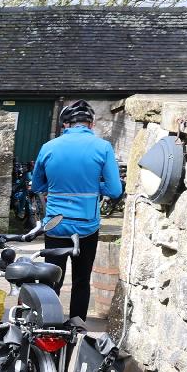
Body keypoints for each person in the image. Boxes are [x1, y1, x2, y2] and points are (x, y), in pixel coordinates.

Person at [29, 99, 121, 322]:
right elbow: (115, 190)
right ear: (91, 124)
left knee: (51, 279)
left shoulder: (48, 147)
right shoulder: (103, 147)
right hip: (86, 226)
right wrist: (91, 187)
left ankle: (47, 325)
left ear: (65, 125)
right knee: (81, 280)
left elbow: (37, 186)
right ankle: (77, 329)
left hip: (56, 225)